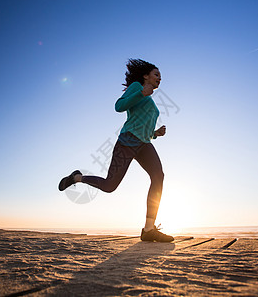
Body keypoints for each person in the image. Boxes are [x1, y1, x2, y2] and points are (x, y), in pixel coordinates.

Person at [59, 58, 173, 242]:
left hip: (144, 143)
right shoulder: (137, 87)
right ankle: (76, 178)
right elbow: (118, 106)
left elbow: (141, 125)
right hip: (127, 142)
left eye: (161, 76)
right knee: (110, 186)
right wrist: (142, 93)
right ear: (146, 76)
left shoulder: (149, 98)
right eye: (156, 74)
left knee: (158, 176)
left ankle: (149, 229)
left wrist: (155, 133)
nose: (160, 78)